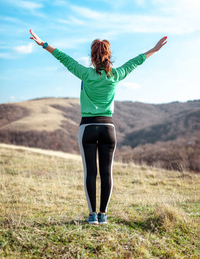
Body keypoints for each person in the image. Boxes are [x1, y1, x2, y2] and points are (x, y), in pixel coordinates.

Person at [29, 30, 167, 224]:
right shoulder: (117, 74)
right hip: (108, 129)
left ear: (92, 57)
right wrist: (154, 49)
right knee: (107, 172)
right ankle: (103, 215)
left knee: (91, 173)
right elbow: (137, 61)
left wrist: (43, 44)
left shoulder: (85, 73)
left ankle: (92, 215)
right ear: (108, 55)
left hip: (87, 128)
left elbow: (63, 57)